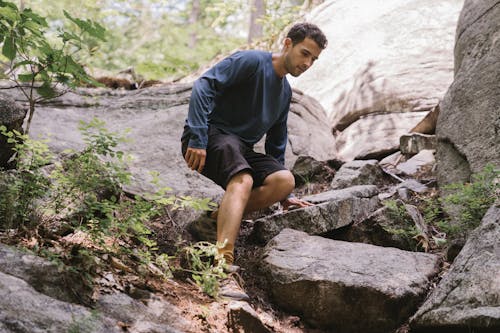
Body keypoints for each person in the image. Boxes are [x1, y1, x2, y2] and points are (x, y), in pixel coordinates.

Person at [181, 22, 327, 297]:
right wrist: (198, 138)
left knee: (284, 180)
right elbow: (204, 85)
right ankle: (221, 268)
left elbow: (276, 140)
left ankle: (212, 221)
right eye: (305, 53)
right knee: (243, 179)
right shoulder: (251, 61)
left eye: (314, 59)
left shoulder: (284, 93)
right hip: (212, 134)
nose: (308, 63)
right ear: (287, 44)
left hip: (239, 147)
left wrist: (284, 197)